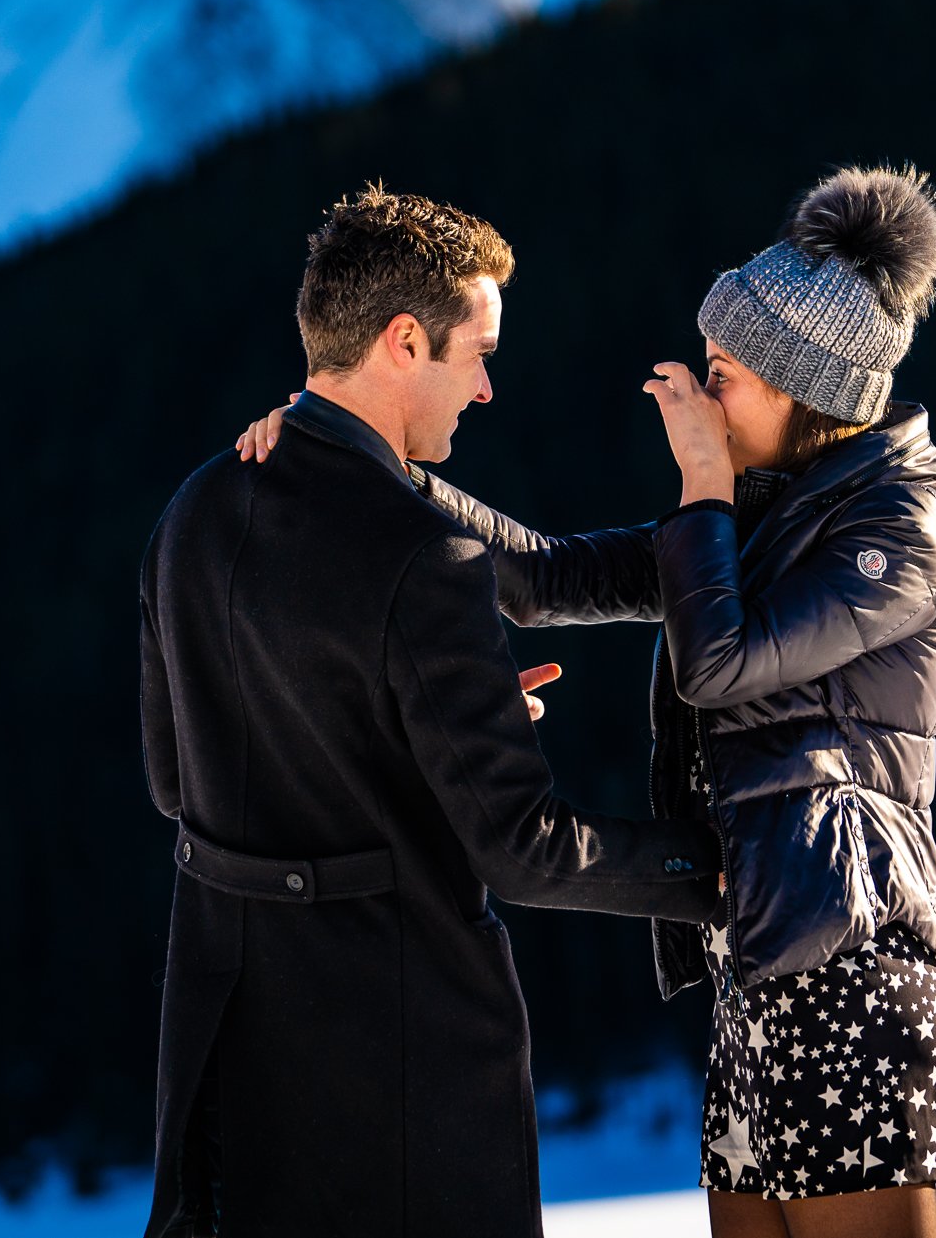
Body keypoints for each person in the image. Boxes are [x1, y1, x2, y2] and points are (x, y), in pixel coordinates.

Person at [238, 165, 936, 1237]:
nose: (698, 399)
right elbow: (545, 578)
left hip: (854, 967)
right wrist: (352, 454)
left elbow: (719, 661)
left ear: (802, 383)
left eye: (721, 375)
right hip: (756, 962)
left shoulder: (899, 533)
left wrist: (704, 489)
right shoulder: (759, 517)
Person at [140, 187, 723, 1238]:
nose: (490, 388)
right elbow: (528, 852)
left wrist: (715, 525)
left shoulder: (195, 507)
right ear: (405, 340)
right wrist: (718, 866)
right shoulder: (423, 553)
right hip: (395, 1060)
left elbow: (176, 778)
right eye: (477, 353)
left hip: (225, 1042)